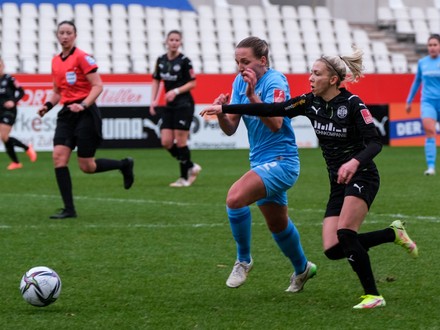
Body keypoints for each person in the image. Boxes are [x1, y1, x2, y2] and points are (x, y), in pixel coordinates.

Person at [201, 45, 418, 309]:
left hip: (362, 174)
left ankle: (373, 295)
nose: (310, 78)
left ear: (333, 80)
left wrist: (353, 161)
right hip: (337, 180)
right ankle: (391, 233)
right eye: (311, 73)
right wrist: (224, 108)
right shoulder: (309, 102)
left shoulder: (352, 104)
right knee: (333, 248)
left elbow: (374, 143)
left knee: (346, 234)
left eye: (316, 74)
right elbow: (273, 110)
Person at [207, 36, 316, 292]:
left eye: (245, 61)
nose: (240, 66)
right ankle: (303, 269)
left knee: (235, 199)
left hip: (283, 161)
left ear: (262, 61)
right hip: (261, 161)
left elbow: (276, 122)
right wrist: (222, 111)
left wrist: (253, 96)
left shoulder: (275, 80)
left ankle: (243, 261)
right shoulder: (239, 81)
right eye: (237, 62)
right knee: (277, 224)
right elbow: (231, 127)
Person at [37, 21, 134, 219]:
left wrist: (83, 105)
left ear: (75, 35)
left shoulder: (82, 57)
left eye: (68, 33)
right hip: (66, 114)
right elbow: (57, 91)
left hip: (86, 114)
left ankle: (124, 165)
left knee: (86, 166)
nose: (65, 36)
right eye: (62, 33)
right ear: (57, 36)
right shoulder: (55, 61)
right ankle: (69, 209)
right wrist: (46, 106)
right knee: (58, 158)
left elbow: (98, 85)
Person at [150, 30, 201, 187]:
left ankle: (184, 178)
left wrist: (176, 91)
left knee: (180, 141)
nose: (173, 42)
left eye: (177, 40)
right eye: (171, 39)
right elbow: (156, 81)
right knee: (166, 142)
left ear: (180, 42)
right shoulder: (160, 60)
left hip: (184, 105)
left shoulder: (185, 61)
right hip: (169, 106)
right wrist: (153, 100)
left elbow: (193, 83)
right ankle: (191, 166)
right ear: (166, 41)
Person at [406, 34, 440, 176]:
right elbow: (416, 82)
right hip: (428, 102)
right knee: (429, 130)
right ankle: (431, 167)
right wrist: (409, 101)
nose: (432, 47)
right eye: (430, 45)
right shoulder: (422, 63)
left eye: (435, 45)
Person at [0, 58, 37, 169]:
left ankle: (26, 148)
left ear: (3, 66)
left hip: (9, 111)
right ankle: (16, 162)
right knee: (4, 138)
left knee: (4, 135)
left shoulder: (9, 78)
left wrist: (13, 101)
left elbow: (21, 91)